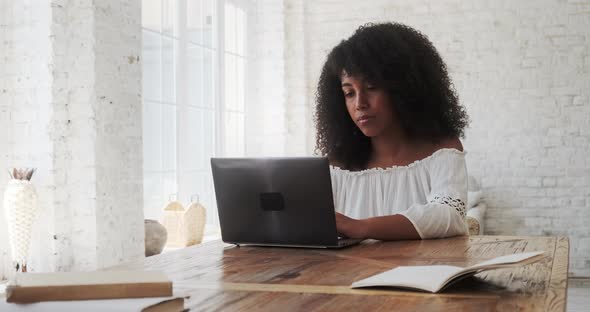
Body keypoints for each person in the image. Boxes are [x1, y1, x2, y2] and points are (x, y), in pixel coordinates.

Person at [314, 22, 469, 240]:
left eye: (372, 88)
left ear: (404, 89)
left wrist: (361, 227)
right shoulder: (336, 166)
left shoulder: (442, 150)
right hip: (349, 274)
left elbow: (449, 215)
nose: (360, 103)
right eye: (349, 93)